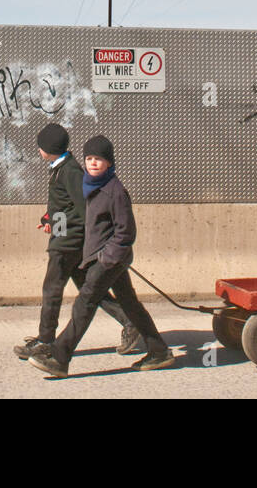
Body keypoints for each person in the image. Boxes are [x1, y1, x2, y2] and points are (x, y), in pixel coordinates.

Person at [29, 134, 175, 378]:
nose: (93, 163)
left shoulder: (114, 191)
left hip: (108, 260)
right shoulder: (89, 184)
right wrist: (52, 221)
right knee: (129, 304)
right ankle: (159, 350)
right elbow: (68, 210)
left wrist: (107, 258)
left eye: (99, 159)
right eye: (89, 158)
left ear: (109, 162)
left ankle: (59, 356)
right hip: (99, 256)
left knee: (84, 304)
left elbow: (126, 233)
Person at [13, 124, 143, 361]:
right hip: (67, 239)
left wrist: (64, 232)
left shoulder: (70, 171)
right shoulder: (59, 168)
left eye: (41, 146)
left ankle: (45, 340)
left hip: (68, 244)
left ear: (49, 149)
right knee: (92, 291)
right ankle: (131, 323)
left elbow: (85, 209)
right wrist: (50, 220)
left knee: (52, 289)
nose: (39, 150)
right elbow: (63, 206)